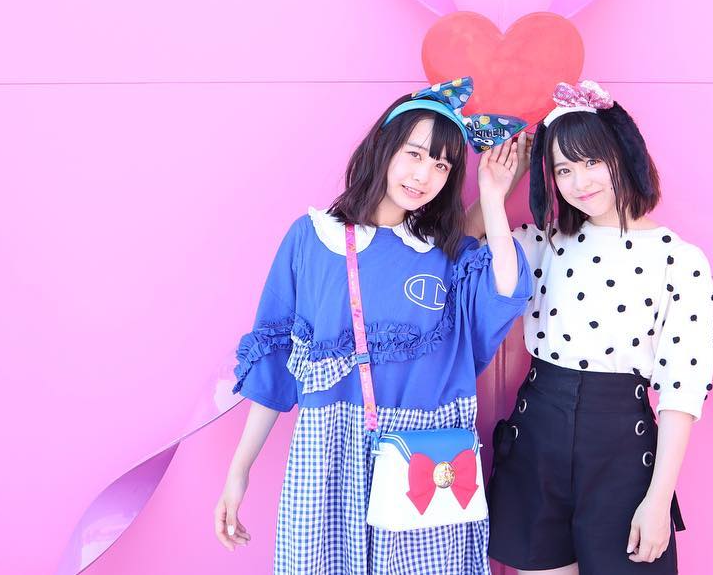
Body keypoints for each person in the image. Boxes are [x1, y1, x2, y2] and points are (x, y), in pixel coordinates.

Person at [214, 77, 532, 574]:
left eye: (442, 165)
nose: (424, 175)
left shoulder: (444, 253)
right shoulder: (312, 239)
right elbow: (276, 362)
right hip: (328, 455)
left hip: (423, 455)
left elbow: (506, 289)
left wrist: (494, 197)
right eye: (414, 154)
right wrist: (240, 471)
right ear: (384, 146)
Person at [482, 80, 713, 575]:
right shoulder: (543, 242)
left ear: (622, 154)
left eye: (591, 161)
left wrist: (659, 500)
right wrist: (496, 190)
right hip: (537, 434)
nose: (579, 181)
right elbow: (459, 251)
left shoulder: (679, 259)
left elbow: (683, 388)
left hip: (621, 448)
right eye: (563, 169)